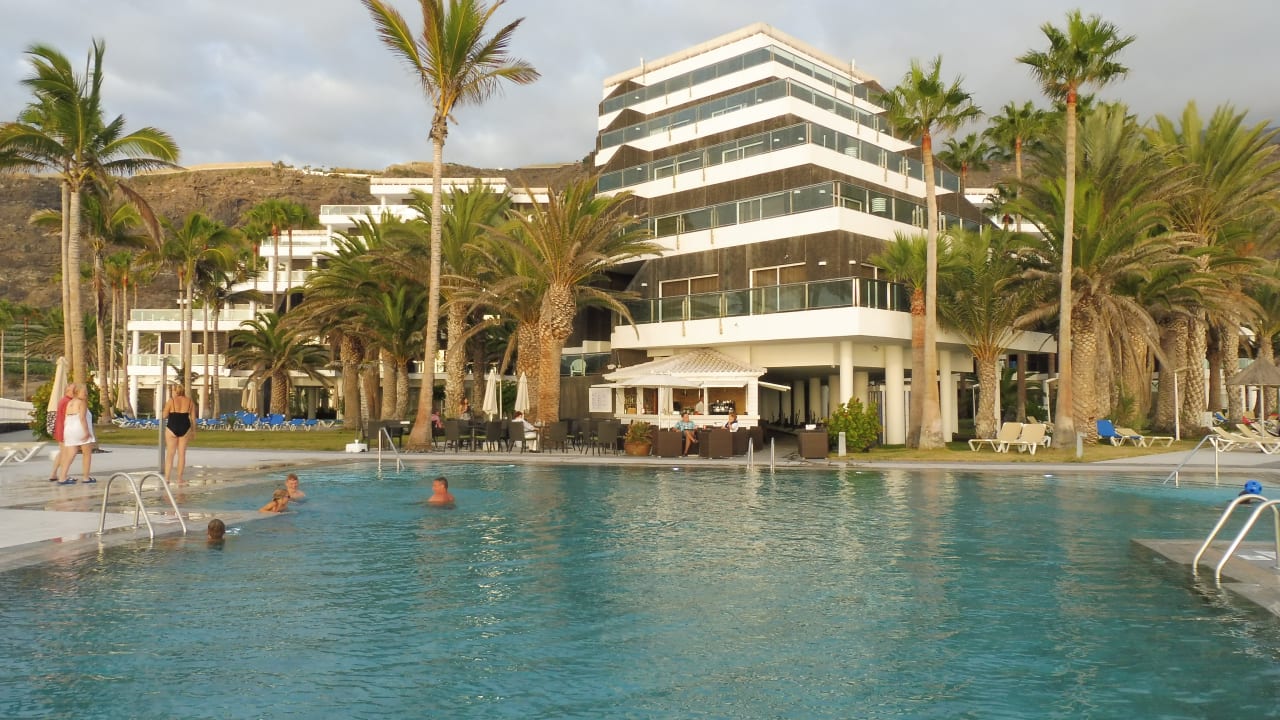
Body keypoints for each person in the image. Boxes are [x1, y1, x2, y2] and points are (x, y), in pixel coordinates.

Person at [54, 383, 96, 485]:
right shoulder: (82, 403)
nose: (86, 394)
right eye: (84, 392)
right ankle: (86, 477)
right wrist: (86, 432)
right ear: (77, 392)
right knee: (87, 454)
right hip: (79, 428)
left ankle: (62, 477)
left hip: (69, 429)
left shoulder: (70, 403)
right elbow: (82, 418)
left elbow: (67, 418)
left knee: (70, 454)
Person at [162, 384, 196, 485]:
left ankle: (167, 478)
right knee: (182, 455)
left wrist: (163, 410)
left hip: (172, 427)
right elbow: (193, 418)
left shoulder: (171, 401)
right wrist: (194, 431)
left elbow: (164, 415)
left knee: (170, 454)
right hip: (185, 427)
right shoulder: (190, 402)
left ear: (175, 391)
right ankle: (179, 479)